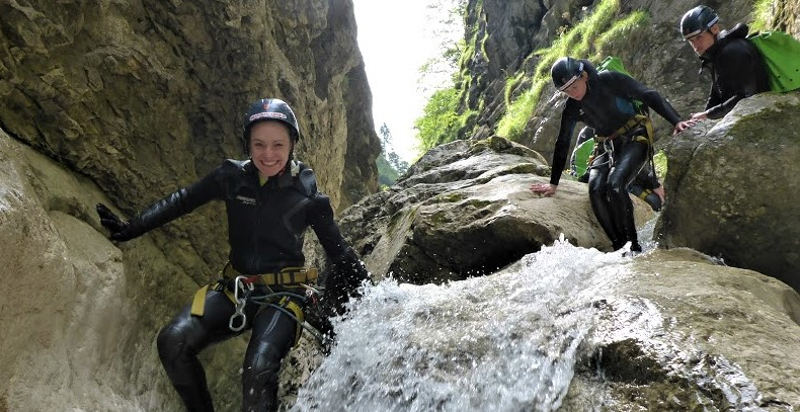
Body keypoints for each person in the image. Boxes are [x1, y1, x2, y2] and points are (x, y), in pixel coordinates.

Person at [96, 98, 369, 412]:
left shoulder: (309, 198)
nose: (268, 154)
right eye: (259, 144)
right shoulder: (230, 177)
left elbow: (340, 253)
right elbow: (182, 201)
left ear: (293, 143)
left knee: (259, 370)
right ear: (248, 144)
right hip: (233, 290)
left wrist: (375, 293)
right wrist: (131, 228)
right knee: (173, 342)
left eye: (278, 144)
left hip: (283, 297)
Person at [531, 57, 693, 252]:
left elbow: (649, 95)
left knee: (615, 184)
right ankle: (619, 247)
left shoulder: (609, 80)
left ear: (584, 75)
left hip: (636, 136)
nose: (572, 94)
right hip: (607, 145)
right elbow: (562, 142)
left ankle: (634, 247)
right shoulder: (572, 107)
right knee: (596, 191)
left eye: (573, 86)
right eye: (565, 91)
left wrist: (676, 120)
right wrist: (553, 183)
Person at [680, 5, 770, 120]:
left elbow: (746, 97)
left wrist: (707, 115)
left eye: (699, 38)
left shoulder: (733, 51)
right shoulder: (716, 54)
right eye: (691, 41)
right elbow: (716, 94)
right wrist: (702, 116)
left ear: (714, 29)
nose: (696, 46)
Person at [570, 126, 665, 211]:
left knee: (655, 200)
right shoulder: (591, 133)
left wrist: (653, 183)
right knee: (655, 201)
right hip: (611, 180)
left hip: (615, 178)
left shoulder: (590, 131)